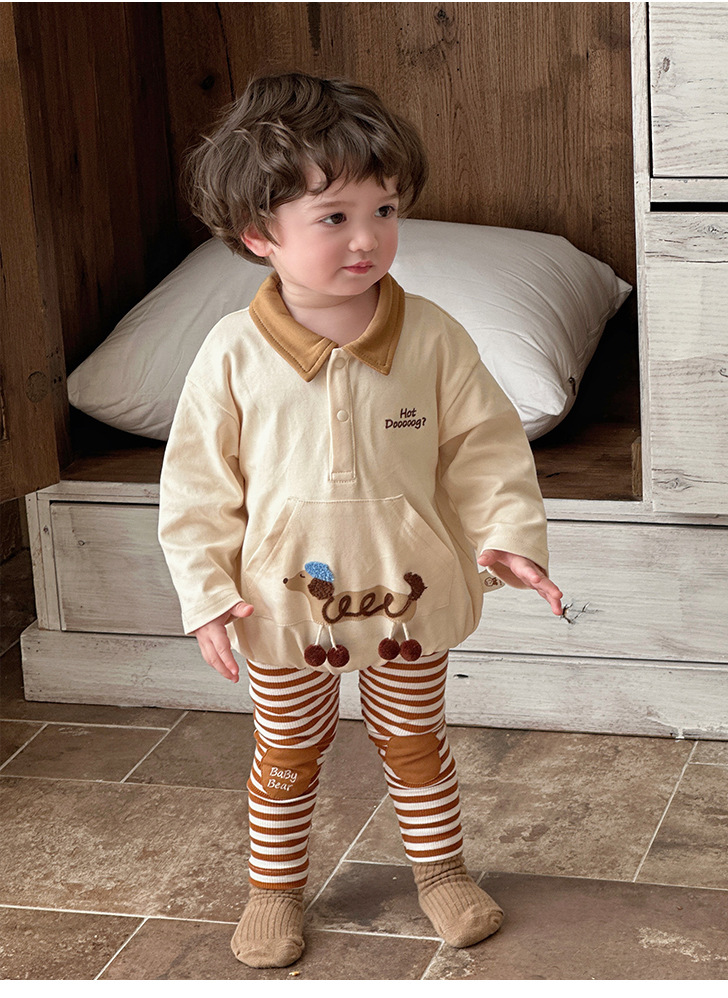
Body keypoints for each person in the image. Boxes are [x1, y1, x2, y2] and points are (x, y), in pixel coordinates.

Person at [158, 72, 563, 970]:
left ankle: (441, 872)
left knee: (417, 743)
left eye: (384, 210)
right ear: (259, 233)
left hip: (408, 597)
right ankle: (273, 890)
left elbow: (487, 449)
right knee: (286, 753)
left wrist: (509, 539)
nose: (368, 237)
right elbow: (196, 490)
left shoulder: (434, 338)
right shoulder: (230, 354)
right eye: (334, 217)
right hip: (280, 606)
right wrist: (206, 592)